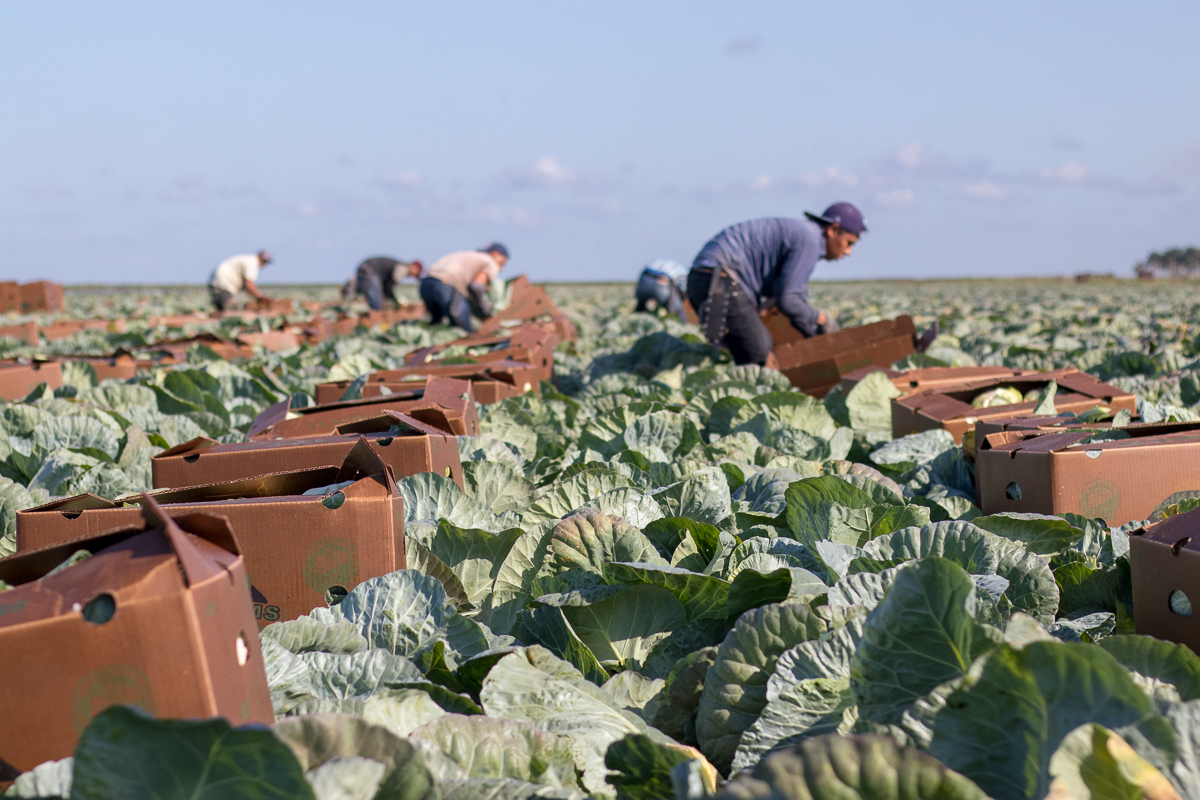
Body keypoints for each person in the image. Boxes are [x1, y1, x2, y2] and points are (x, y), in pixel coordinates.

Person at [686, 203, 865, 365]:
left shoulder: (803, 235)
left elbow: (789, 297)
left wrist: (810, 329)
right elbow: (789, 300)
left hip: (702, 278)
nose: (848, 252)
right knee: (760, 355)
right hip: (719, 279)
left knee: (742, 351)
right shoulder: (809, 239)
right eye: (849, 243)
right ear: (833, 230)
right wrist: (822, 320)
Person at [421, 243, 508, 332]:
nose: (502, 268)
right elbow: (477, 286)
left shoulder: (472, 256)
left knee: (436, 325)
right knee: (464, 330)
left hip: (426, 285)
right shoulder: (491, 262)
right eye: (503, 263)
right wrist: (485, 310)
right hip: (446, 285)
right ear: (496, 254)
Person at [354, 256, 423, 310]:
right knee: (376, 304)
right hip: (369, 270)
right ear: (413, 267)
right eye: (415, 275)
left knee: (370, 299)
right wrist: (395, 300)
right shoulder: (403, 269)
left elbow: (386, 285)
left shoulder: (398, 266)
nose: (413, 277)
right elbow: (390, 286)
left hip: (364, 268)